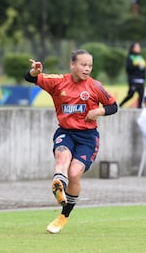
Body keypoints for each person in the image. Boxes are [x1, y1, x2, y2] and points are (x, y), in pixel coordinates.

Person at [24, 49, 118, 234]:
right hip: (66, 132)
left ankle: (63, 216)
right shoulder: (59, 82)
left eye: (90, 65)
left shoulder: (95, 86)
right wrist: (35, 71)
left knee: (74, 173)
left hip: (88, 137)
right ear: (72, 65)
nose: (87, 69)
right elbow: (30, 78)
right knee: (62, 159)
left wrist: (98, 112)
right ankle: (58, 183)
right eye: (83, 65)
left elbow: (113, 106)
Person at [119, 42, 146, 108]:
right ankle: (120, 105)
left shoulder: (141, 57)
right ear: (132, 48)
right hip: (133, 79)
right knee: (131, 94)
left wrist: (144, 77)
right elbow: (128, 69)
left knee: (141, 95)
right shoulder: (130, 57)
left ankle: (139, 108)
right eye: (136, 47)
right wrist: (135, 65)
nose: (138, 48)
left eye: (139, 47)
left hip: (141, 80)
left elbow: (143, 68)